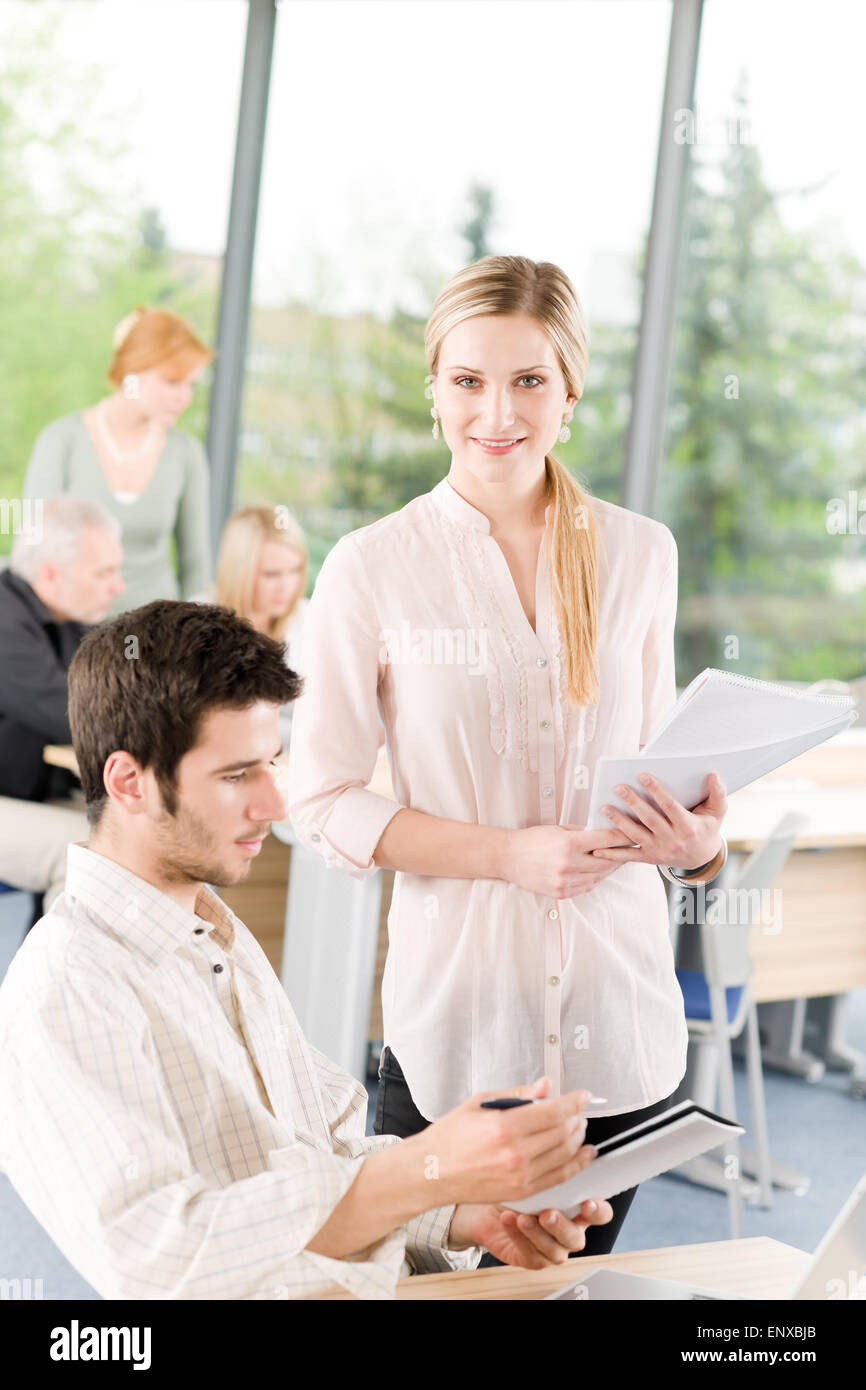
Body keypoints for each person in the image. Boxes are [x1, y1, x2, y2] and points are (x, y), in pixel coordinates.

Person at [287, 254, 729, 1262]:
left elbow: (663, 775)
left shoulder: (639, 556)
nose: (497, 410)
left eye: (528, 380)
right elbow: (319, 800)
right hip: (456, 1042)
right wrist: (507, 853)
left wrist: (696, 842)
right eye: (469, 380)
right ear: (434, 389)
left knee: (563, 1304)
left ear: (568, 393)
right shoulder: (370, 565)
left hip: (618, 1040)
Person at [0, 599, 613, 1300]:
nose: (275, 802)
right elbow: (162, 1259)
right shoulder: (69, 990)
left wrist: (460, 1212)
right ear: (127, 782)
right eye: (236, 776)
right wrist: (426, 1170)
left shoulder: (213, 931)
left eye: (273, 764)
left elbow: (327, 1147)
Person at [22, 306, 213, 613]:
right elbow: (33, 555)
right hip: (73, 636)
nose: (186, 397)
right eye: (172, 382)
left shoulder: (186, 453)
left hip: (157, 640)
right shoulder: (61, 441)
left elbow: (196, 566)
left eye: (191, 385)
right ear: (131, 371)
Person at [0, 496, 125, 910]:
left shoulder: (68, 618)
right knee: (84, 854)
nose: (117, 585)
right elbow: (74, 714)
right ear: (51, 574)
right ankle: (50, 977)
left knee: (139, 834)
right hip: (12, 797)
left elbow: (118, 693)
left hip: (28, 791)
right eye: (104, 572)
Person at [215, 505, 309, 747]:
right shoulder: (199, 625)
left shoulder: (309, 618)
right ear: (239, 572)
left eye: (295, 570)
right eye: (271, 575)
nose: (286, 587)